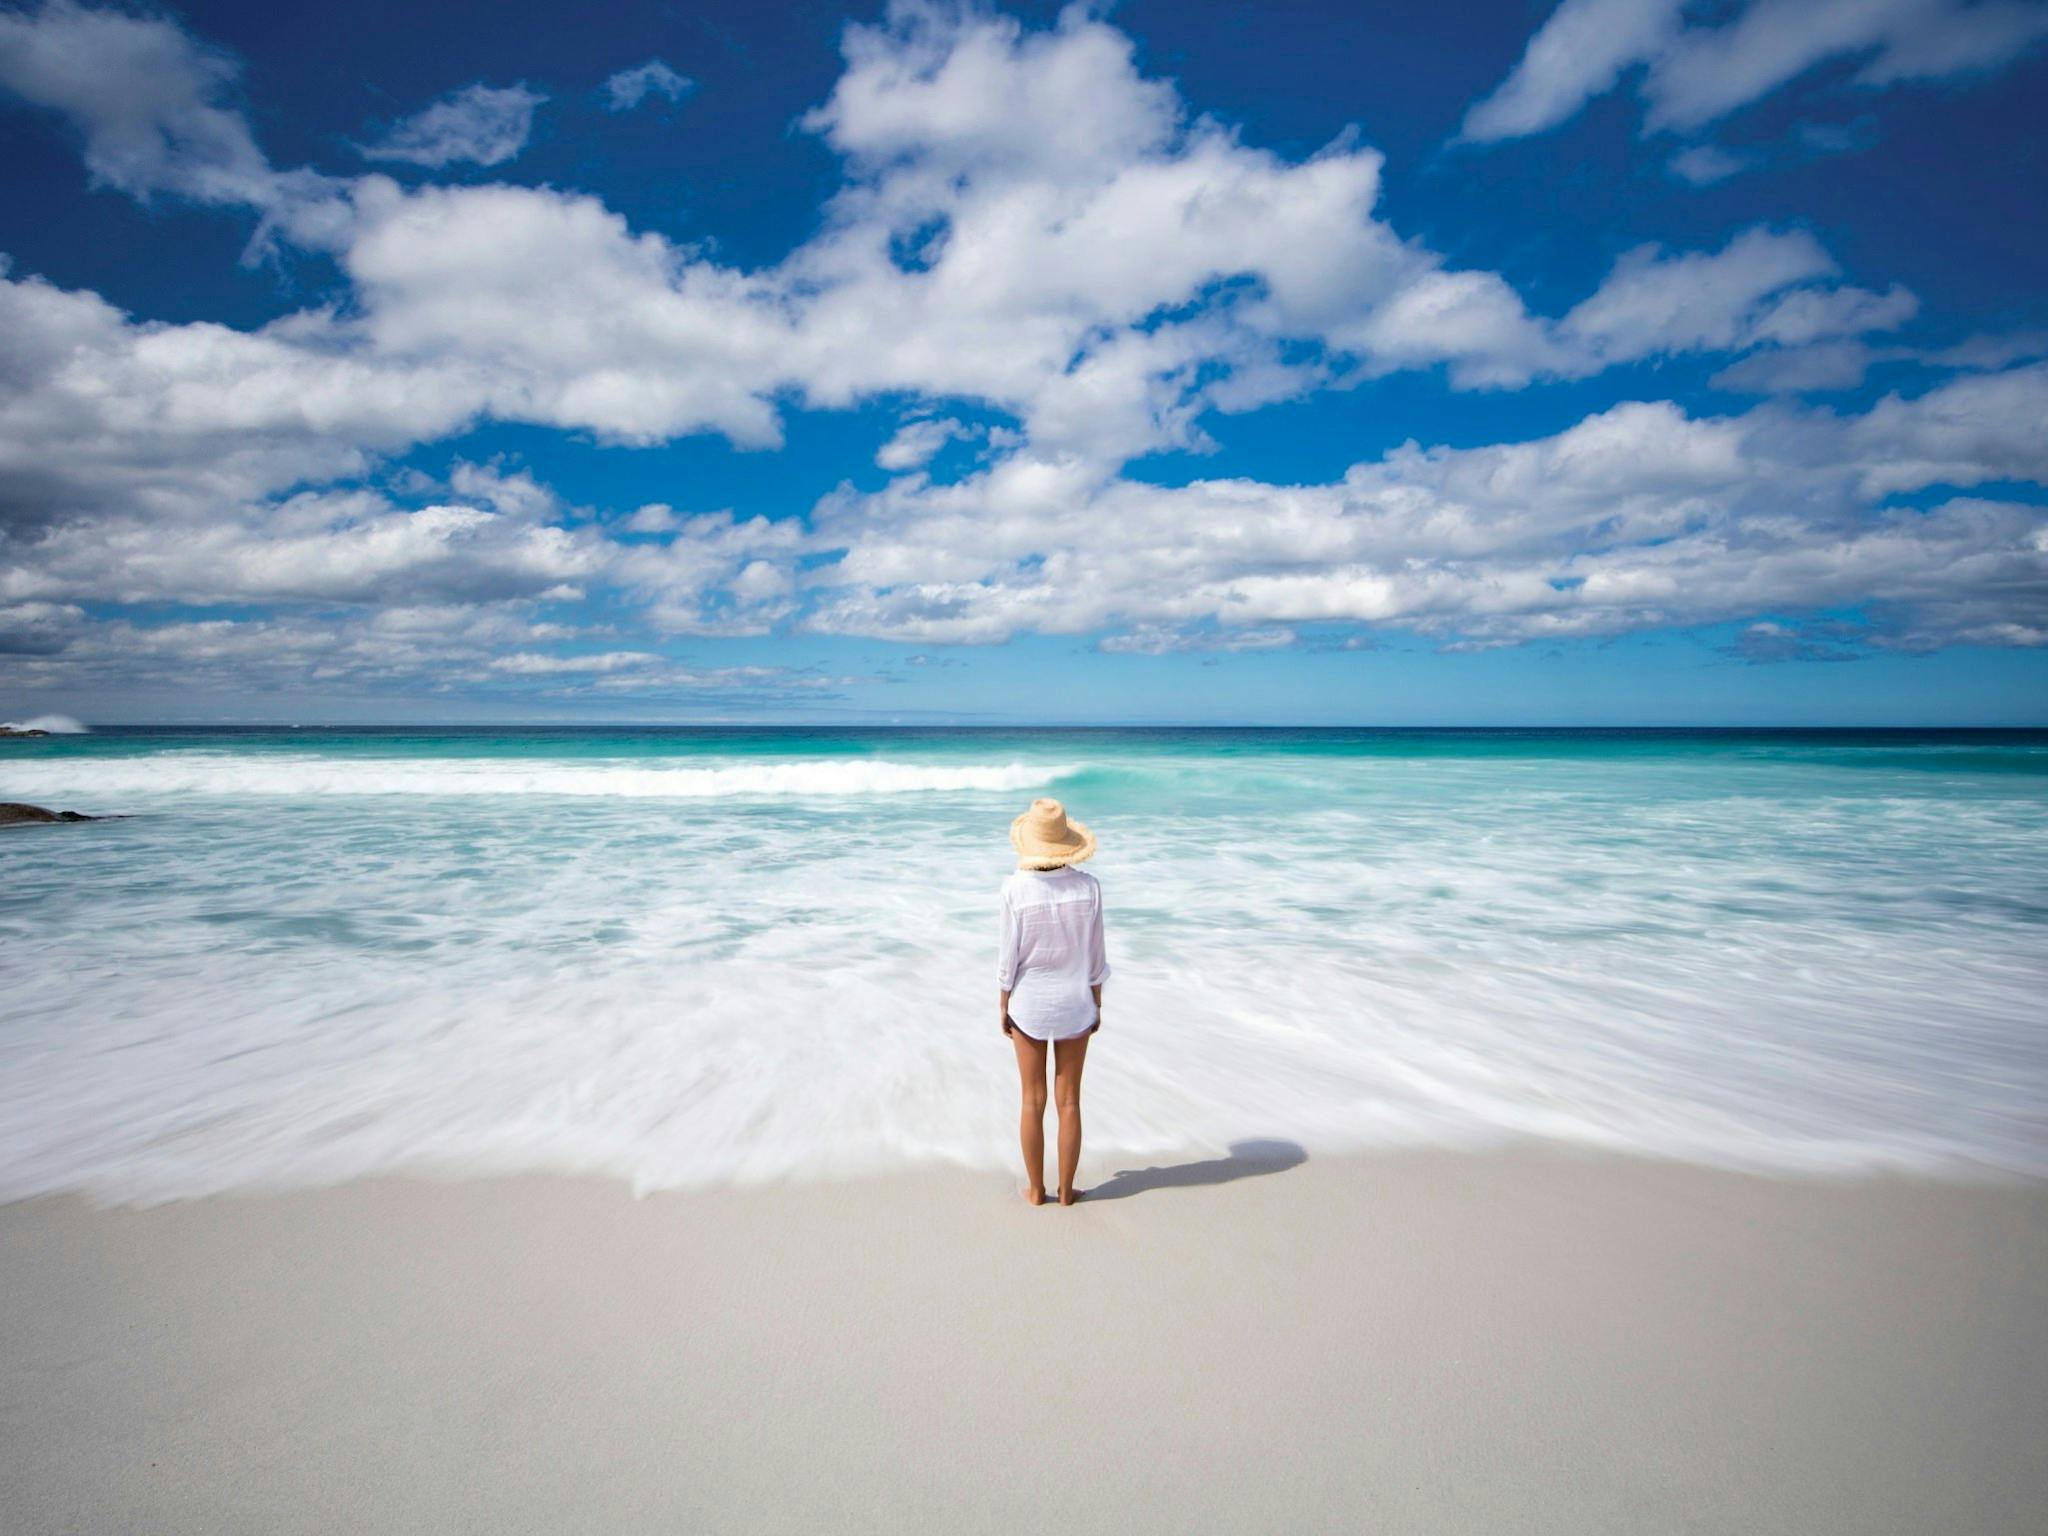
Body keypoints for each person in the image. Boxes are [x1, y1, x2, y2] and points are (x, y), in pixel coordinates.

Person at [998, 798, 1110, 1206]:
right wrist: (1096, 1001)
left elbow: (1008, 958)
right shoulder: (1089, 888)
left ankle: (1035, 1191)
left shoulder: (1014, 889)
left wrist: (1003, 1003)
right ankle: (1066, 1191)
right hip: (1076, 1003)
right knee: (1069, 1101)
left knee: (1032, 1099)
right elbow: (1095, 957)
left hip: (1029, 1004)